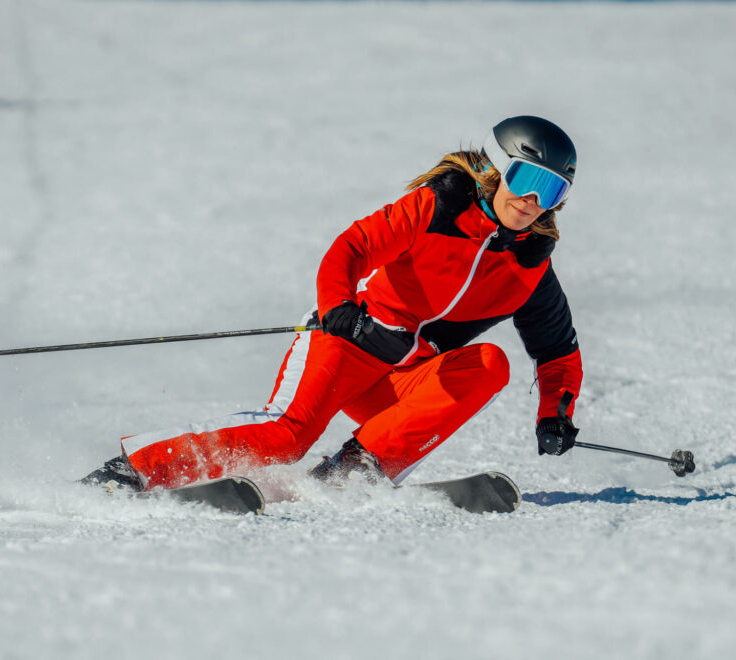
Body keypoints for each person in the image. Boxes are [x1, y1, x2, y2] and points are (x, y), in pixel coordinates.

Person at [82, 115, 583, 492]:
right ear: (497, 170)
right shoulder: (438, 206)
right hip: (348, 342)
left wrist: (555, 414)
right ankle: (133, 470)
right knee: (285, 437)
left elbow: (557, 350)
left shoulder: (530, 266)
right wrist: (338, 305)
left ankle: (354, 469)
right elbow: (353, 248)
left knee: (489, 364)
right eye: (526, 180)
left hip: (402, 377)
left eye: (551, 190)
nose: (532, 201)